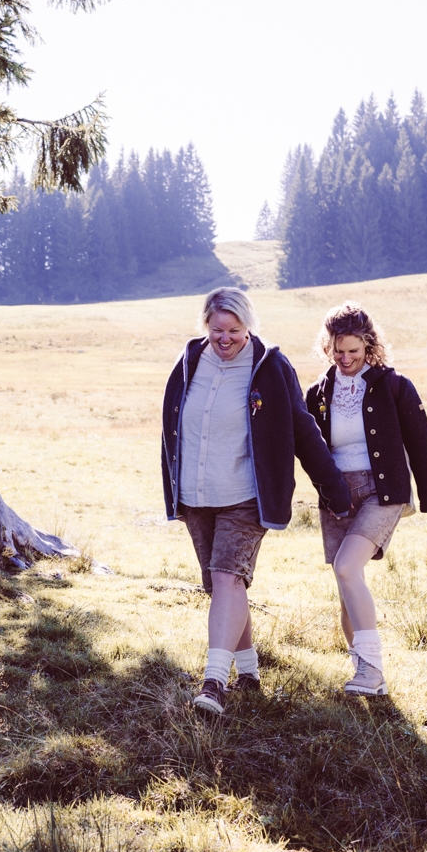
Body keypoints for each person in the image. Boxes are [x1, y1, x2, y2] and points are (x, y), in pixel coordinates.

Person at [161, 288, 353, 716]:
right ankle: (249, 671)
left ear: (248, 327)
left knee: (228, 578)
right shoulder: (190, 361)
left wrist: (334, 491)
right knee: (221, 585)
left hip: (246, 496)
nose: (225, 339)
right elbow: (172, 426)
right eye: (217, 330)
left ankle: (213, 683)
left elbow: (303, 431)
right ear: (205, 326)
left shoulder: (270, 367)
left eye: (234, 330)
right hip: (196, 495)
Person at [304, 302, 427, 696]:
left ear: (369, 347)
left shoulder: (394, 386)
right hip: (336, 493)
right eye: (338, 351)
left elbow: (420, 442)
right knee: (346, 582)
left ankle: (372, 670)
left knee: (347, 568)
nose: (346, 359)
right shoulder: (318, 393)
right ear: (327, 348)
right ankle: (363, 671)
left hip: (383, 492)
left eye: (354, 352)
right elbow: (309, 447)